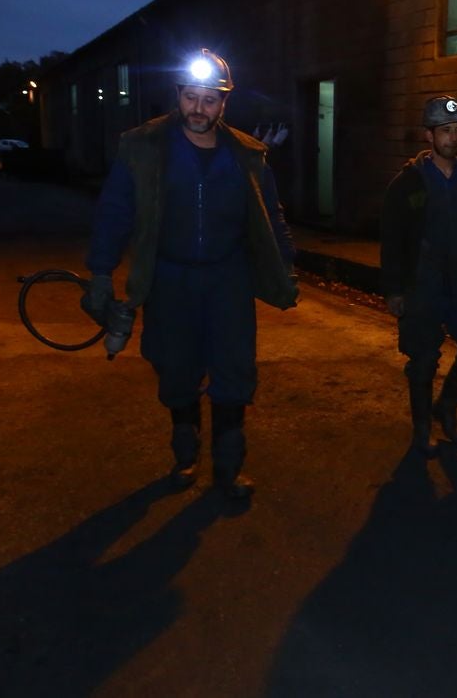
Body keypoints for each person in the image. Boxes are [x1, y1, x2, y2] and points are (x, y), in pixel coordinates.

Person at [84, 49, 299, 500]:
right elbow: (114, 211)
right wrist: (101, 272)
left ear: (224, 104)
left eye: (210, 100)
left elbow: (271, 215)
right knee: (176, 366)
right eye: (191, 97)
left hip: (228, 278)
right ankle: (185, 455)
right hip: (169, 277)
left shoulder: (247, 153)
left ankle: (227, 467)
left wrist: (286, 264)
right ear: (177, 95)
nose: (199, 109)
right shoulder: (142, 147)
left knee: (234, 371)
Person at [381, 95, 457, 457]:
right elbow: (393, 240)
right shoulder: (408, 182)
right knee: (422, 359)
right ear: (428, 136)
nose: (453, 138)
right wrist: (395, 289)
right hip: (424, 280)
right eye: (445, 132)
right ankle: (421, 429)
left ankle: (445, 406)